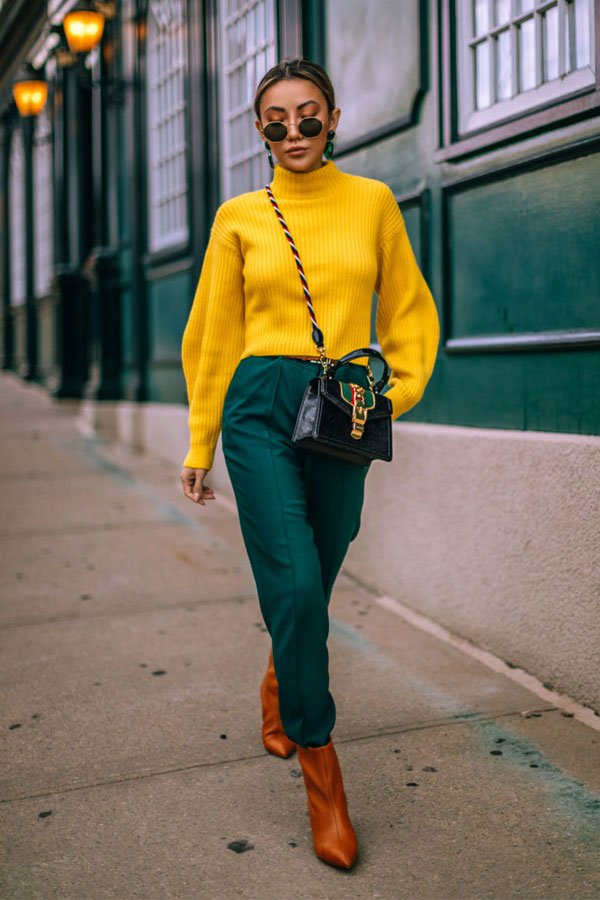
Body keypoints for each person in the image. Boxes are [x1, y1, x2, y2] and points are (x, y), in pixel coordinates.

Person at [179, 57, 440, 870]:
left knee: (319, 567)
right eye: (275, 118)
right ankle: (323, 770)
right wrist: (200, 440)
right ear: (259, 130)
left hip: (339, 409)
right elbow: (214, 335)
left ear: (333, 120)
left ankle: (277, 677)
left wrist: (390, 393)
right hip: (259, 403)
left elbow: (408, 310)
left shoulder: (371, 204)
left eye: (308, 115)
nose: (293, 130)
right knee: (294, 583)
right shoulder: (238, 217)